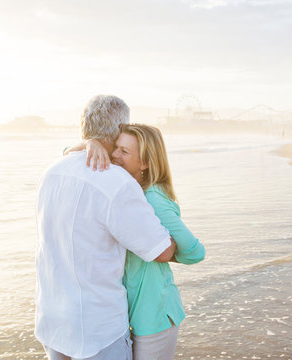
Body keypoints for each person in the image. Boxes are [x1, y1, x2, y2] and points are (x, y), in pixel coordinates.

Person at [35, 95, 177, 360]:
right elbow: (161, 250)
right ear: (120, 129)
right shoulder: (116, 182)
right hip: (96, 330)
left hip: (52, 321)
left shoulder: (52, 171)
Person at [83, 124, 205, 360]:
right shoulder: (127, 191)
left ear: (145, 163)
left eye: (124, 152)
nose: (115, 155)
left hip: (155, 315)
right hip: (127, 314)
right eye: (115, 148)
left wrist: (163, 250)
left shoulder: (152, 199)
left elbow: (196, 252)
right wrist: (91, 144)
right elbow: (72, 155)